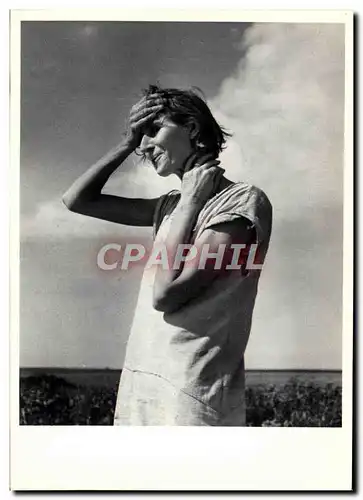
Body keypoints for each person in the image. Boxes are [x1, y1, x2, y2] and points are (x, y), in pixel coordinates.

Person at [62, 84, 273, 426]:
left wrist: (191, 202)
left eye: (153, 130)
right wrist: (127, 142)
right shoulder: (169, 206)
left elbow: (166, 294)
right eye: (139, 137)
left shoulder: (242, 201)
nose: (144, 146)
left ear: (191, 128)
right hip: (144, 381)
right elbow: (76, 200)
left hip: (192, 392)